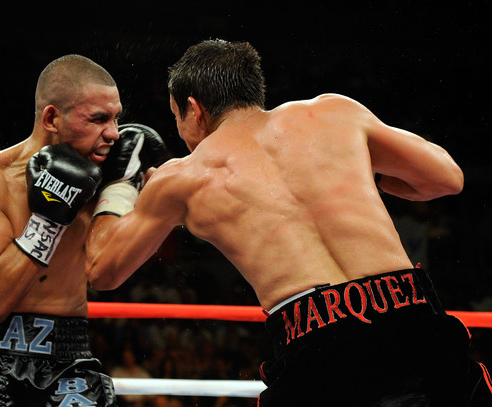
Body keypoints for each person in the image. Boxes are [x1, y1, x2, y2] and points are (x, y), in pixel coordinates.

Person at [85, 39, 492, 406]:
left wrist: (121, 186)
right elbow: (446, 178)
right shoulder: (334, 112)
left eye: (177, 117)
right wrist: (360, 167)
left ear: (194, 109)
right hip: (413, 318)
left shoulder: (183, 177)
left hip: (319, 345)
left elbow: (103, 270)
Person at [0, 54, 166, 407]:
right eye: (98, 119)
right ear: (51, 118)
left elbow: (107, 276)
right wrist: (51, 215)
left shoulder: (105, 185)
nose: (114, 133)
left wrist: (126, 191)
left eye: (116, 117)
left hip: (63, 358)